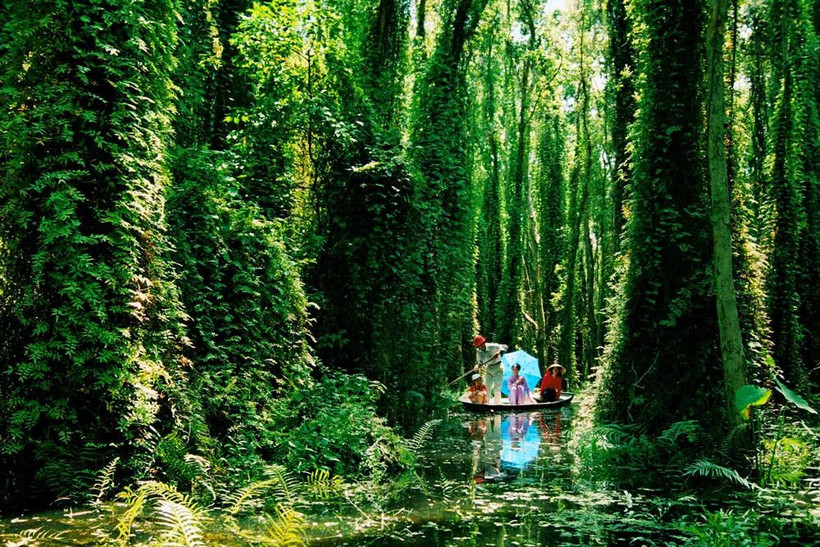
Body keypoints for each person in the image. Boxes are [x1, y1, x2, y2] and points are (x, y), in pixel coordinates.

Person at [473, 335, 508, 404]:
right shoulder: (479, 351)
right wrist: (478, 365)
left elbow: (505, 346)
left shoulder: (493, 346)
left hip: (498, 367)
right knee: (487, 387)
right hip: (488, 368)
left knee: (497, 388)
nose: (479, 347)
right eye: (477, 346)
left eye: (479, 345)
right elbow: (480, 362)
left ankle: (497, 405)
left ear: (483, 343)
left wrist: (499, 352)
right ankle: (486, 404)